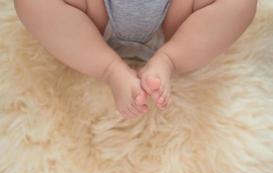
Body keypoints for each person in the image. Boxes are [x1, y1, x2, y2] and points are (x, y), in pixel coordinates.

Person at [14, 0, 257, 119]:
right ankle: (109, 68)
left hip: (175, 19)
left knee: (241, 3)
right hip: (96, 15)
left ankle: (170, 59)